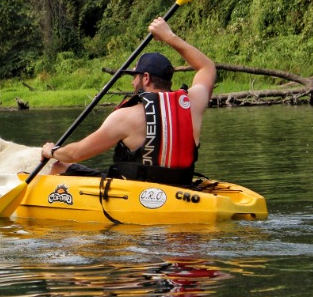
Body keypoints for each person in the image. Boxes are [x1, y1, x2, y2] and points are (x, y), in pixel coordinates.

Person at [41, 17, 216, 185]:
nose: (133, 82)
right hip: (182, 187)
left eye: (135, 76)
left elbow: (75, 154)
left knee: (59, 166)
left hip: (135, 195)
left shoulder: (126, 117)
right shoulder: (194, 104)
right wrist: (169, 37)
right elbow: (207, 67)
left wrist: (52, 151)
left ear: (145, 78)